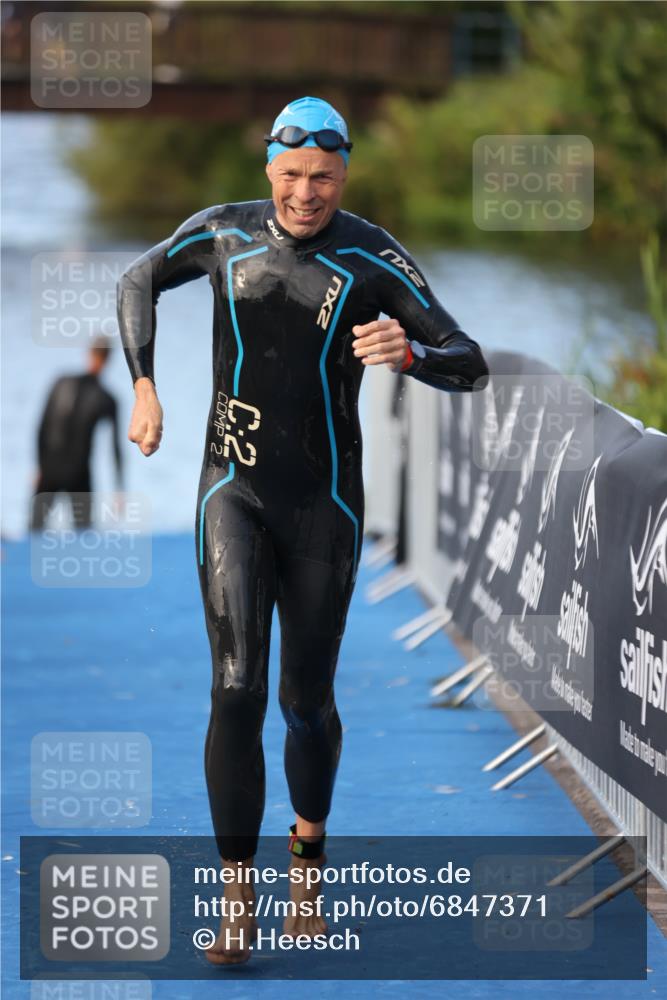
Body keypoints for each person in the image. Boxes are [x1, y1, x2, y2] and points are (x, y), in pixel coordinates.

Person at [117, 95, 489, 964]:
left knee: (304, 705)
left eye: (322, 177)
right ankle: (237, 901)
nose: (305, 193)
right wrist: (143, 383)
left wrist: (412, 358)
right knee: (236, 688)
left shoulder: (371, 255)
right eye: (290, 176)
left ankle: (308, 869)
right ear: (267, 171)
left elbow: (468, 361)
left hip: (325, 504)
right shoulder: (221, 233)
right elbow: (137, 280)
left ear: (343, 174)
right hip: (232, 492)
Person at [31, 336, 123, 531]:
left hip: (50, 467)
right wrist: (119, 489)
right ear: (108, 359)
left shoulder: (61, 382)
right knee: (83, 535)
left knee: (34, 531)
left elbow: (42, 426)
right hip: (78, 472)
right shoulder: (107, 398)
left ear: (89, 353)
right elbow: (115, 447)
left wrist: (38, 465)